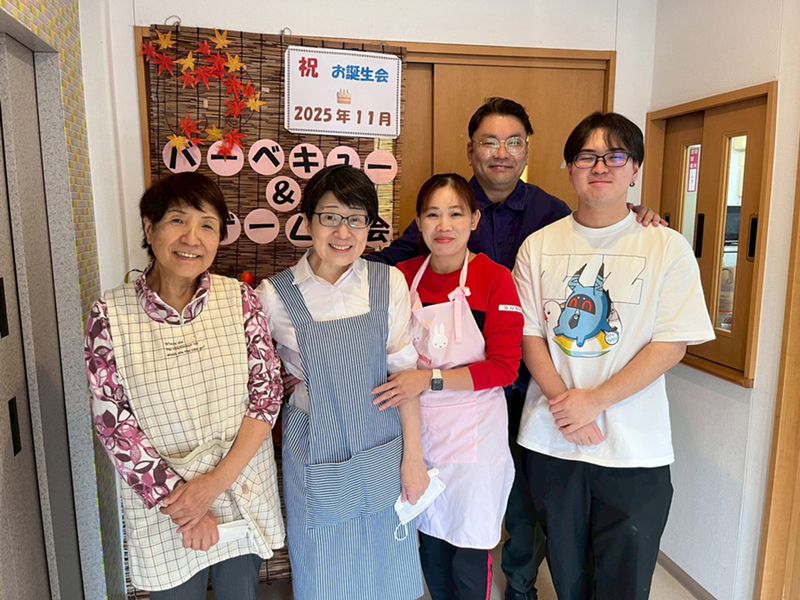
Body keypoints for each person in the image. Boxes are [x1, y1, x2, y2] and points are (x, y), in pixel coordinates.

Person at [370, 97, 663, 600]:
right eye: (489, 142)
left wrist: (634, 215)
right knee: (440, 511)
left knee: (523, 507)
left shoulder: (552, 214)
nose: (501, 152)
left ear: (528, 149)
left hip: (529, 387)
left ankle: (521, 588)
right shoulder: (436, 224)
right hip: (443, 405)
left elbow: (598, 228)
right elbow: (383, 268)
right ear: (471, 150)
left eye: (513, 142)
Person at [512, 112, 715, 599]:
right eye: (587, 156)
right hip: (553, 441)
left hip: (634, 449)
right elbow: (529, 334)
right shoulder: (538, 246)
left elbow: (672, 343)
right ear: (569, 168)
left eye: (615, 156)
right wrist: (567, 404)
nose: (600, 166)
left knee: (625, 580)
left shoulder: (666, 246)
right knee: (568, 576)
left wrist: (595, 401)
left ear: (635, 168)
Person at [84, 172, 285, 599]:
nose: (192, 238)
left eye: (207, 225)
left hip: (240, 483)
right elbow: (113, 423)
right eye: (177, 220)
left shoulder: (240, 300)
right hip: (166, 506)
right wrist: (186, 504)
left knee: (239, 592)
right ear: (149, 227)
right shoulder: (109, 315)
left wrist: (212, 486)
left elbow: (266, 397)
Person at [257, 165, 429, 600]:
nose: (343, 232)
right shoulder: (274, 296)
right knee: (324, 566)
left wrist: (414, 458)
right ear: (307, 221)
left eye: (356, 219)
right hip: (316, 448)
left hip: (382, 443)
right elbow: (258, 380)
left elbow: (403, 378)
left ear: (369, 226)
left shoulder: (387, 281)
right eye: (330, 217)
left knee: (389, 564)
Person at [373, 173, 519, 598]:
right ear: (418, 223)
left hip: (474, 441)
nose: (444, 226)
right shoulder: (401, 278)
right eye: (432, 215)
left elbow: (505, 368)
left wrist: (428, 379)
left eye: (455, 214)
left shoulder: (495, 279)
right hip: (417, 433)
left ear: (474, 220)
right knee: (431, 545)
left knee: (469, 550)